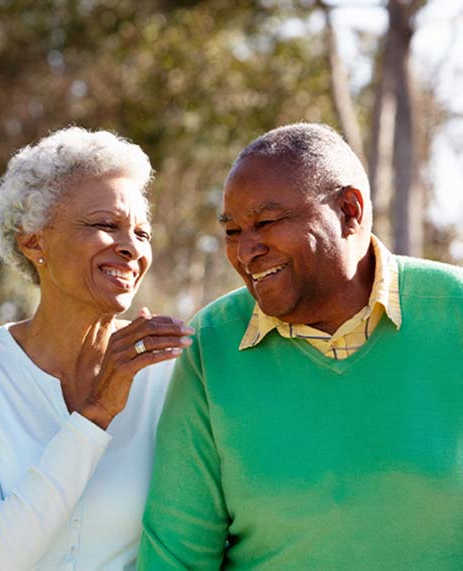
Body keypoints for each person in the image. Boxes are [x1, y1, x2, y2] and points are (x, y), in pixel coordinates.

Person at [138, 122, 463, 570]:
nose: (245, 250)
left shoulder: (455, 313)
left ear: (350, 211)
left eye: (266, 223)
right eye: (232, 231)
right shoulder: (212, 343)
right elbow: (176, 556)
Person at [0, 127, 193, 571]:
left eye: (141, 233)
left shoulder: (170, 368)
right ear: (33, 241)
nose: (130, 248)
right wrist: (97, 413)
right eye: (105, 225)